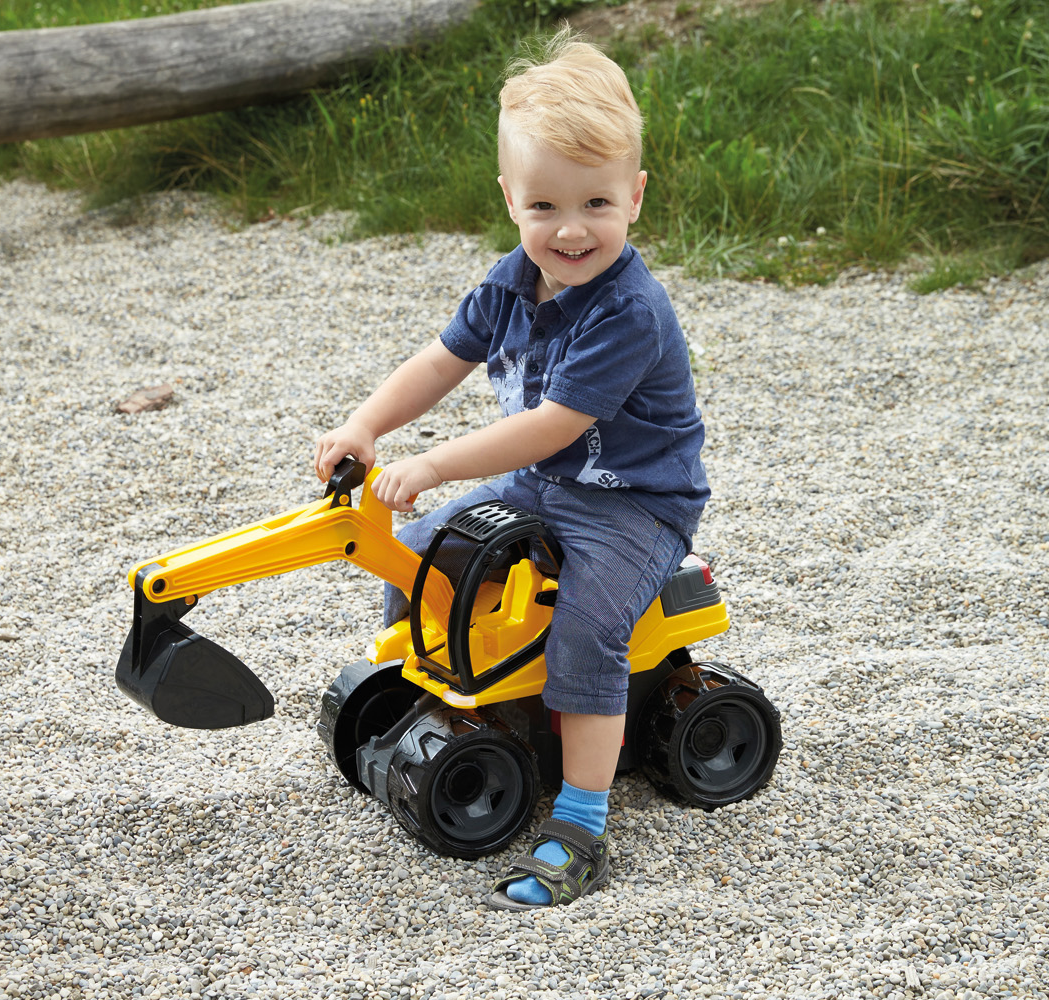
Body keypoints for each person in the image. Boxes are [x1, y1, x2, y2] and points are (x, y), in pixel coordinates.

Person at [314, 29, 708, 910]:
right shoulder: (510, 281)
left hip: (634, 504)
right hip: (547, 485)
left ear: (636, 196)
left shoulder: (628, 311)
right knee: (421, 556)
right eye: (544, 206)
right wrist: (366, 424)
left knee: (587, 632)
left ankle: (582, 821)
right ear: (509, 200)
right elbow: (439, 361)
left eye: (596, 203)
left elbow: (548, 429)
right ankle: (451, 703)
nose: (570, 229)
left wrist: (432, 462)